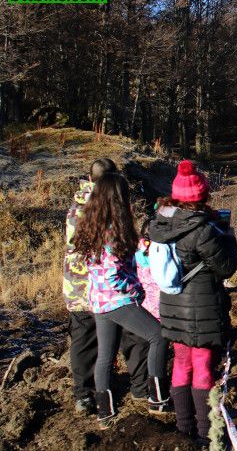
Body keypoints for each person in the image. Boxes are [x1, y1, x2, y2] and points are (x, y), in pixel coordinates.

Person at [148, 160, 237, 446]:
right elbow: (226, 268)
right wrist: (229, 236)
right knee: (202, 365)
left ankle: (183, 428)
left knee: (181, 363)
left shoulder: (160, 222)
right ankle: (204, 432)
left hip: (172, 304)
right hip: (202, 306)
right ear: (202, 195)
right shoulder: (205, 229)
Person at [72, 173, 169, 429]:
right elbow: (114, 272)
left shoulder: (90, 224)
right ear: (119, 198)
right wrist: (134, 291)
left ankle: (105, 414)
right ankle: (158, 398)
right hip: (118, 300)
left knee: (105, 354)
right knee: (157, 335)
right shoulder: (113, 230)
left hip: (98, 301)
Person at [63, 158, 149, 414]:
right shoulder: (110, 202)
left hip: (78, 286)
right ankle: (140, 386)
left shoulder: (76, 205)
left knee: (84, 339)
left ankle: (85, 394)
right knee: (133, 334)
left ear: (89, 178)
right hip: (112, 288)